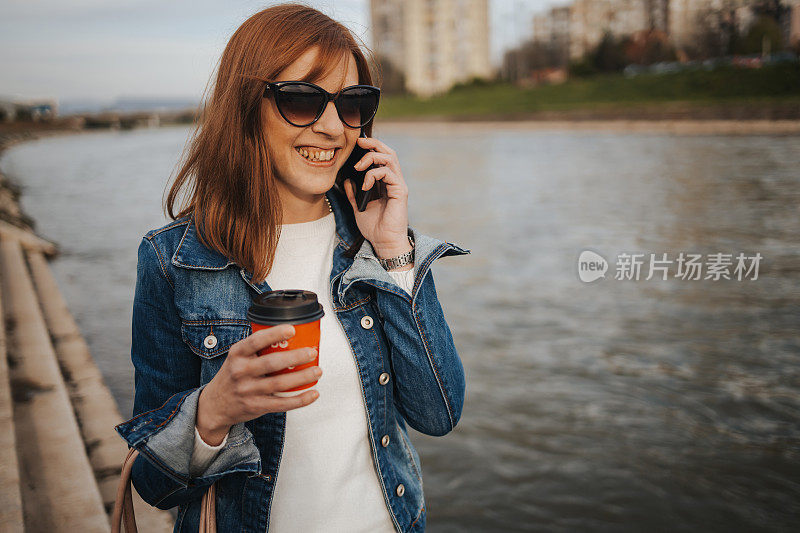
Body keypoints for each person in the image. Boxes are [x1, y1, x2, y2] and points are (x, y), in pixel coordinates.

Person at [114, 4, 469, 532]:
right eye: (302, 99)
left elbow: (439, 414)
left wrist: (394, 252)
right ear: (245, 107)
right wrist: (212, 413)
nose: (331, 128)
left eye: (352, 104)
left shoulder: (375, 244)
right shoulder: (173, 261)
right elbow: (154, 486)